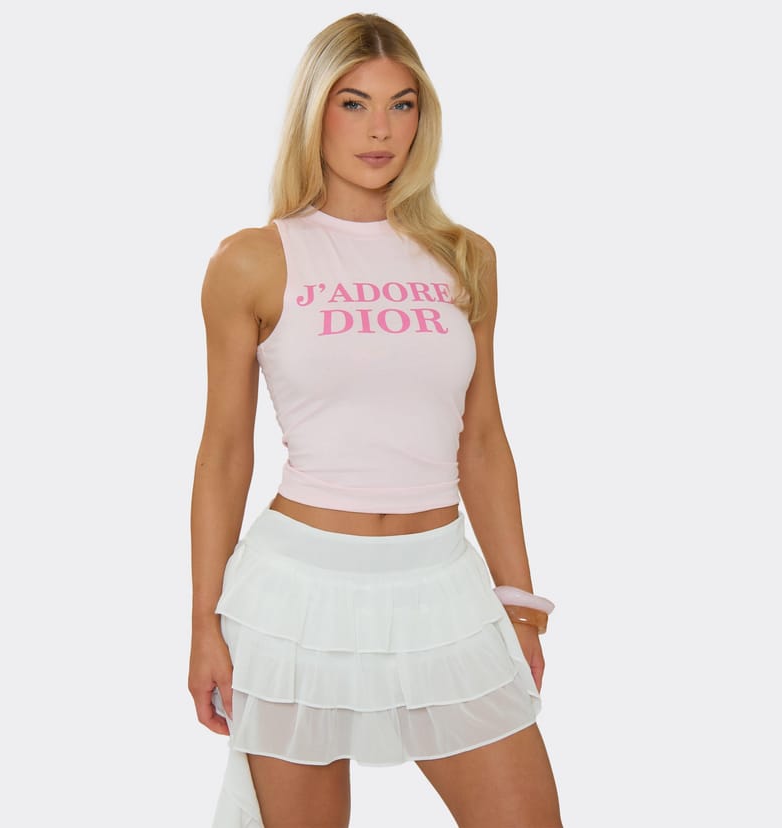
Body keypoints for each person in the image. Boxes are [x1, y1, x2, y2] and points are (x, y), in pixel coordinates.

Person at [189, 12, 563, 828]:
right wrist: (204, 625)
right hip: (296, 599)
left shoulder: (465, 257)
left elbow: (483, 441)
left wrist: (519, 603)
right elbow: (223, 453)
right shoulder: (253, 259)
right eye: (353, 103)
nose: (380, 130)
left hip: (443, 592)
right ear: (315, 111)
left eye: (402, 105)